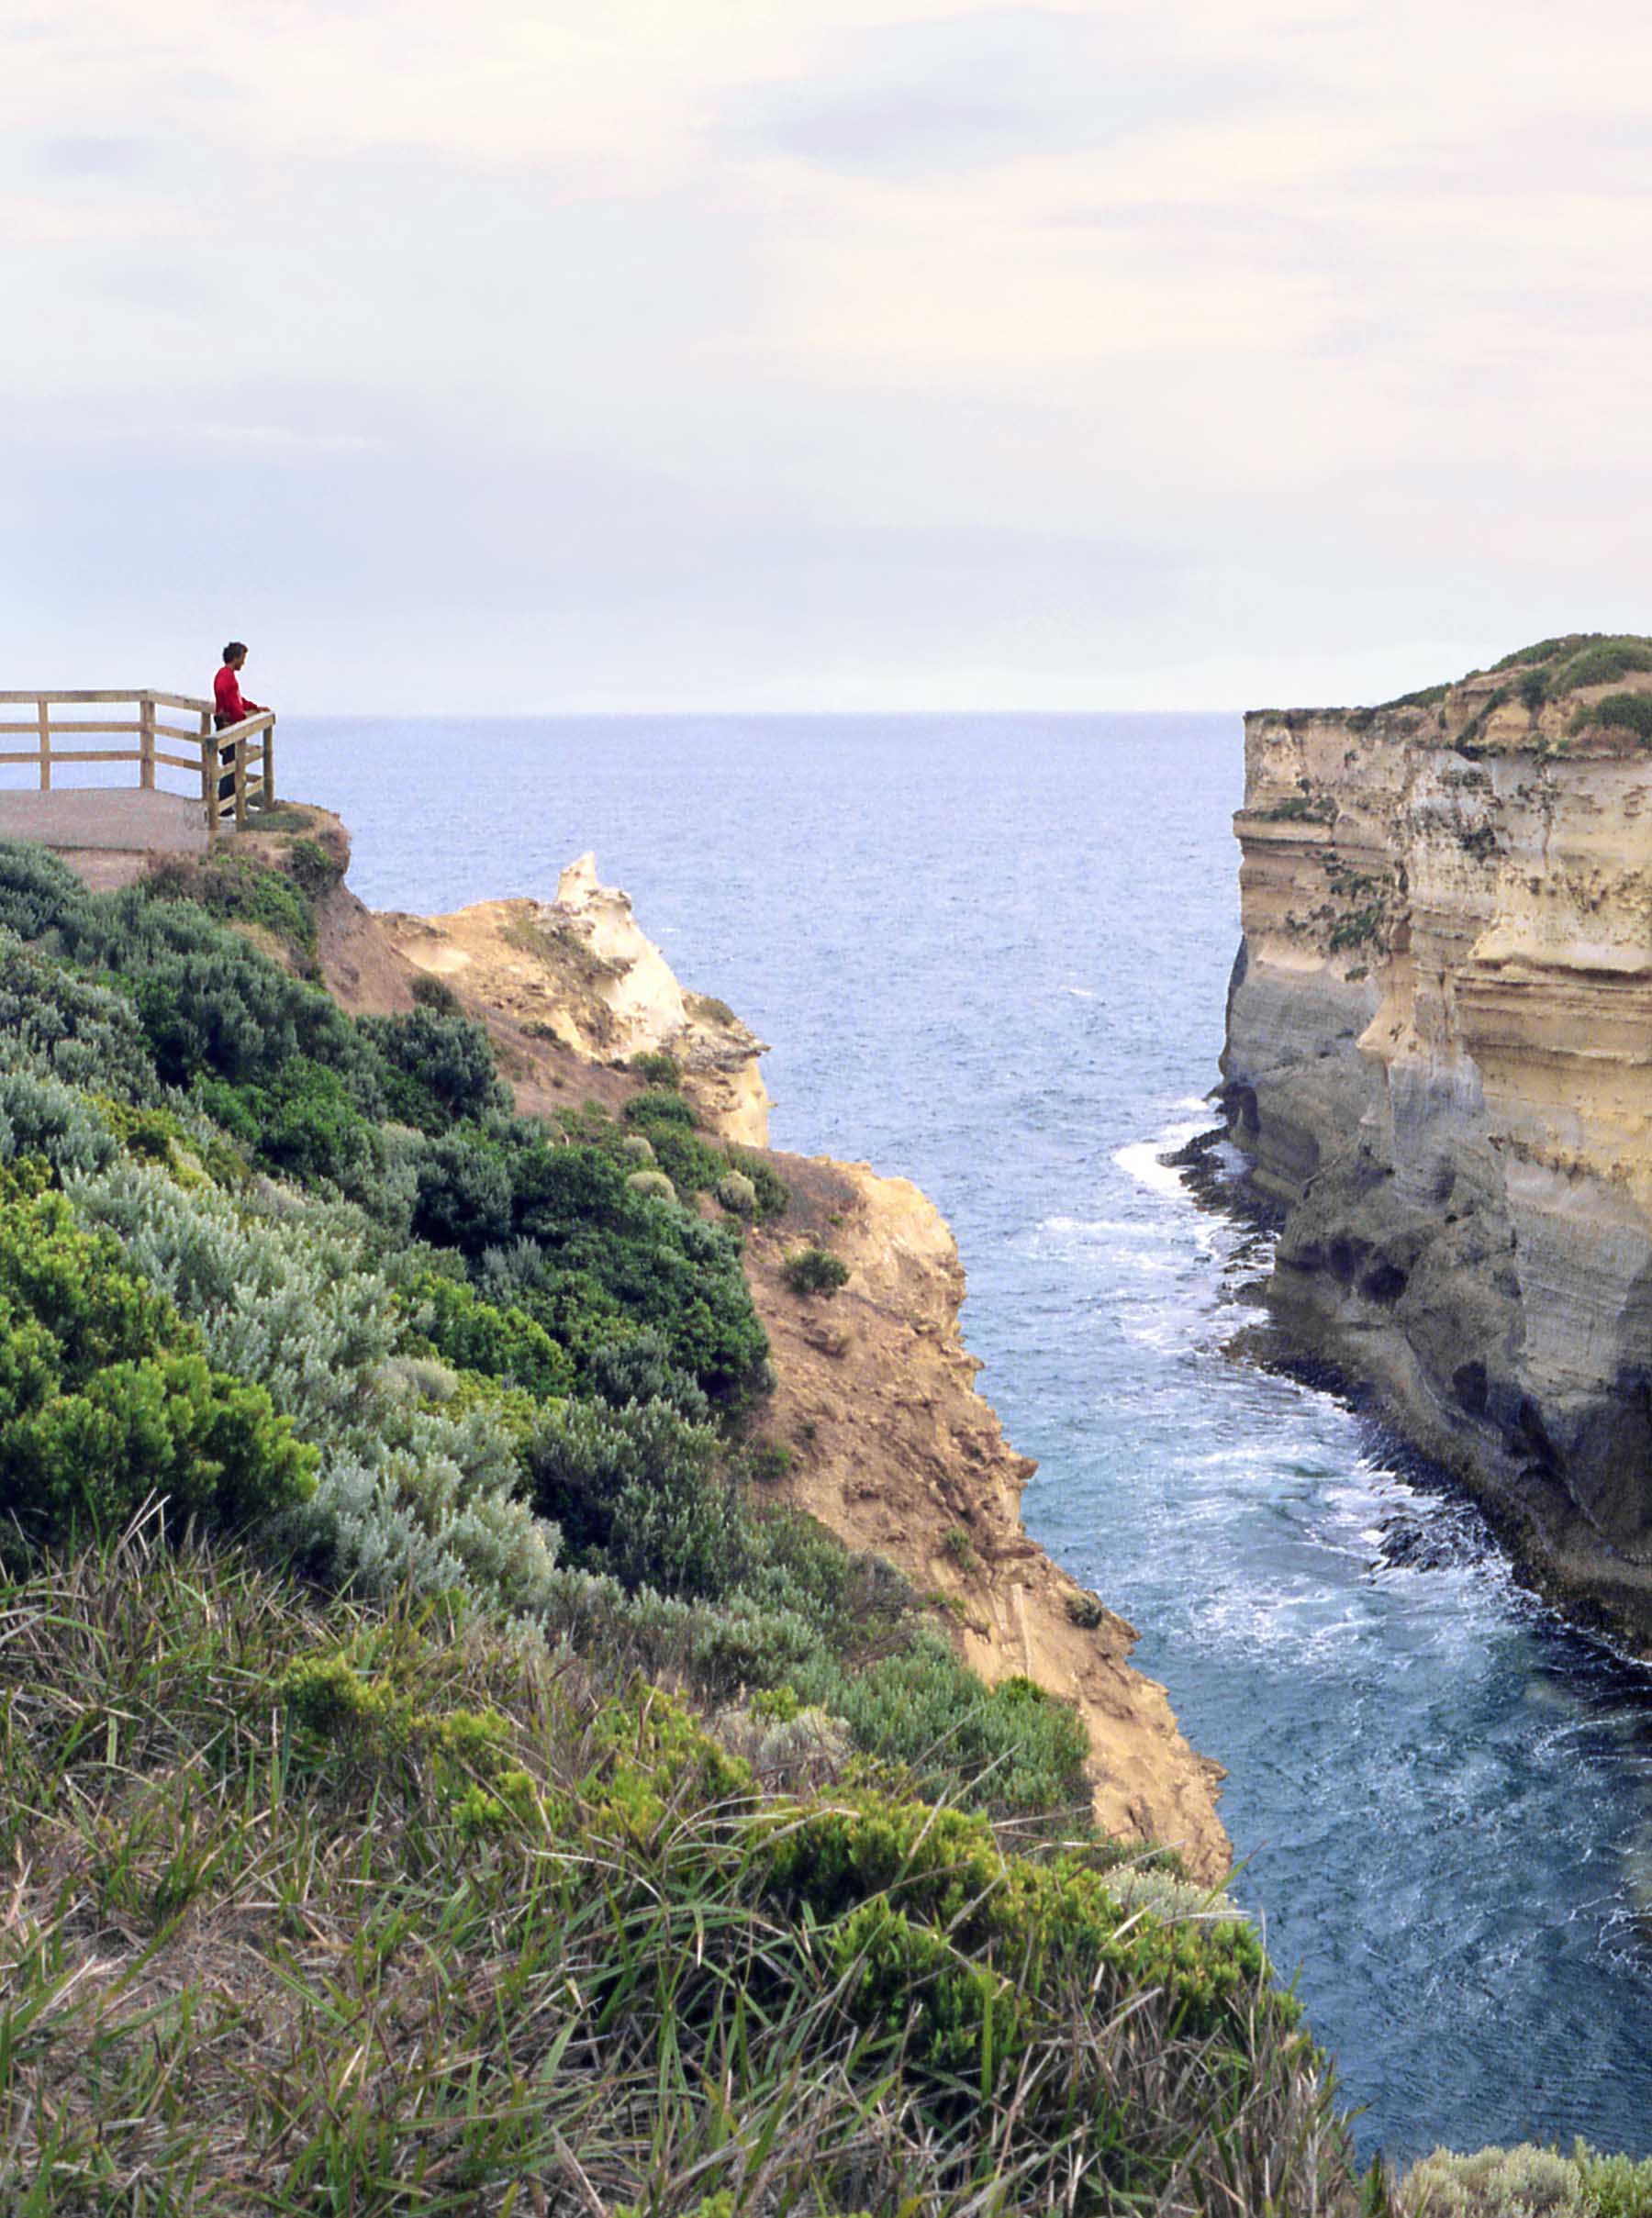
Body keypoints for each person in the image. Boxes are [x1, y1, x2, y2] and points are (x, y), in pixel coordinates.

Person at [213, 641, 268, 804]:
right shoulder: (225, 675)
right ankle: (224, 808)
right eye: (243, 658)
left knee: (233, 765)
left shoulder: (228, 676)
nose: (244, 662)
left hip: (231, 723)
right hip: (229, 725)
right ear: (235, 658)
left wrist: (255, 707)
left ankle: (231, 805)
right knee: (230, 767)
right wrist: (232, 713)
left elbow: (237, 699)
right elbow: (223, 692)